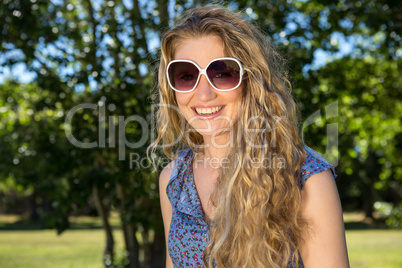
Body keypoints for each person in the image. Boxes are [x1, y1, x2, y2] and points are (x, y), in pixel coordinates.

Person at [148, 5, 349, 268]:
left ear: (251, 80)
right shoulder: (174, 178)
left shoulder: (305, 176)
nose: (204, 94)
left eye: (222, 73)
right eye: (186, 76)